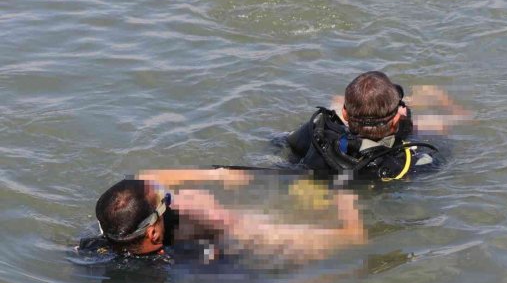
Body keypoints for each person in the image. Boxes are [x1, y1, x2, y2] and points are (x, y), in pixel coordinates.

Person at [86, 168, 365, 265]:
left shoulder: (93, 249)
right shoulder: (204, 246)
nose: (170, 202)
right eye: (165, 203)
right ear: (153, 233)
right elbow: (354, 240)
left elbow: (145, 179)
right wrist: (347, 200)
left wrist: (217, 175)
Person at [286, 71, 469, 181]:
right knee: (442, 125)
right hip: (392, 136)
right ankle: (454, 110)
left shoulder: (319, 134)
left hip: (358, 134)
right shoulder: (408, 163)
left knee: (337, 100)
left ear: (344, 114)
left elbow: (286, 144)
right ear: (398, 118)